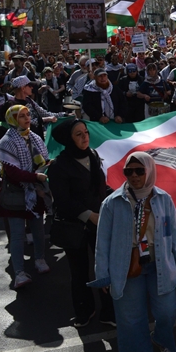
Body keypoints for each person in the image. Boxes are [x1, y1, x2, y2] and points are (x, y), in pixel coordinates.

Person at [89, 152, 176, 352]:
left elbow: (173, 233)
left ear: (149, 171)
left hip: (159, 264)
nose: (134, 176)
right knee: (131, 316)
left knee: (167, 310)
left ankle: (162, 339)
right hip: (127, 267)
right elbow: (102, 242)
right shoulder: (112, 203)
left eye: (139, 171)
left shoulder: (163, 199)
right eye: (129, 171)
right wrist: (102, 273)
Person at [47, 119, 115, 327]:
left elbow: (100, 188)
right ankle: (84, 310)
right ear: (69, 139)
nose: (85, 137)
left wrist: (115, 196)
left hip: (99, 222)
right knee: (79, 271)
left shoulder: (93, 155)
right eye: (79, 134)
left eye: (86, 132)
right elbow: (62, 201)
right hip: (74, 227)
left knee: (104, 268)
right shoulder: (58, 166)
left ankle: (108, 312)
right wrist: (88, 215)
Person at [0, 105, 51, 289]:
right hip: (15, 194)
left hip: (35, 192)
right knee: (17, 235)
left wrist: (46, 166)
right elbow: (13, 173)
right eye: (21, 116)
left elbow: (43, 160)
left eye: (28, 114)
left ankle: (40, 259)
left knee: (38, 230)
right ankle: (19, 273)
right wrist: (35, 177)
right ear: (12, 120)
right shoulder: (7, 141)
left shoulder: (35, 137)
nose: (27, 118)